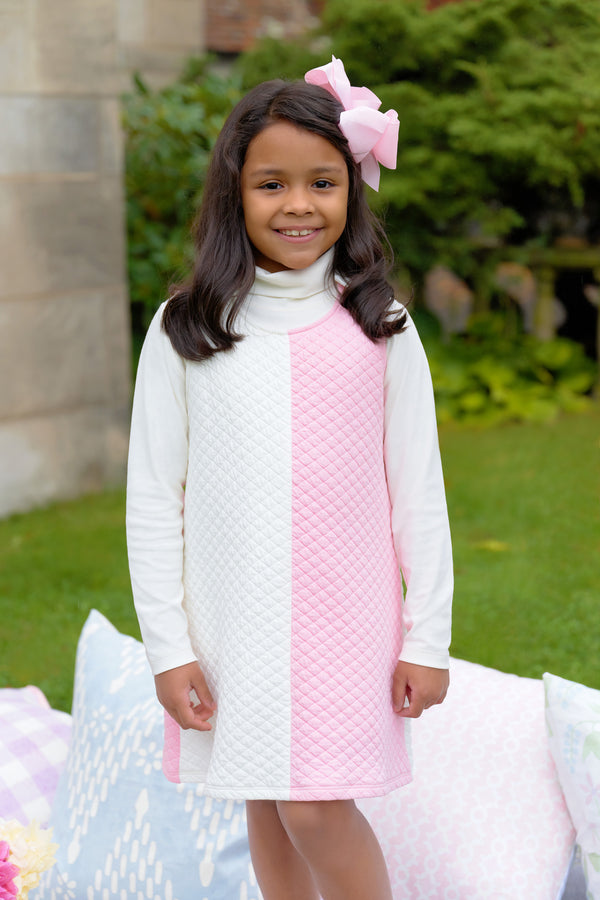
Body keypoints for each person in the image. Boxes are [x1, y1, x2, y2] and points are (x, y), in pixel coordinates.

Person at [126, 55, 453, 900]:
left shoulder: (379, 324)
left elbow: (418, 493)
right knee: (268, 801)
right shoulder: (187, 328)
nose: (299, 205)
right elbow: (155, 501)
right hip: (235, 620)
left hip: (347, 619)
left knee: (312, 805)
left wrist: (427, 638)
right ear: (233, 193)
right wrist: (169, 648)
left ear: (351, 191)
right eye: (272, 184)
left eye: (323, 183)